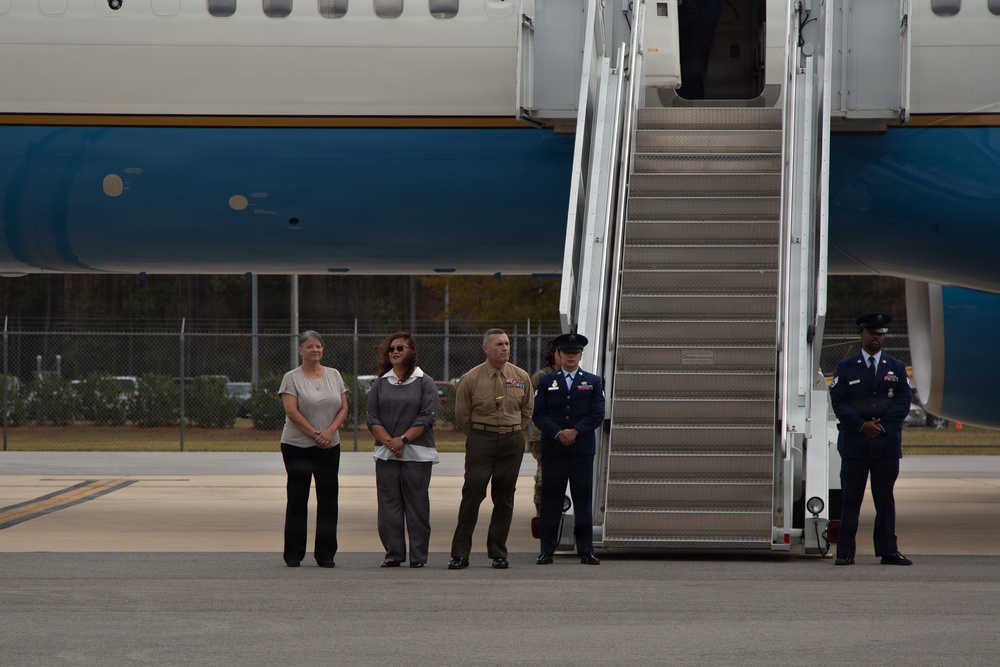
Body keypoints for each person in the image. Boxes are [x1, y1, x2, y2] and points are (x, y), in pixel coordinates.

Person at [829, 313, 913, 566]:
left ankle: (888, 550)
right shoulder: (846, 366)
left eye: (881, 334)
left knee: (884, 498)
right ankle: (844, 552)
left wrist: (882, 427)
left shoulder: (896, 367)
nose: (877, 338)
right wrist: (862, 425)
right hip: (855, 443)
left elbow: (903, 401)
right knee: (851, 499)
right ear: (862, 334)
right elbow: (839, 402)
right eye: (872, 333)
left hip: (885, 444)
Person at [447, 329, 533, 570]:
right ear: (486, 348)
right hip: (481, 439)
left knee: (504, 497)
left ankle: (498, 552)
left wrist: (512, 429)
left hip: (512, 440)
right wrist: (480, 435)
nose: (505, 348)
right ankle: (460, 553)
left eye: (507, 343)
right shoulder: (471, 378)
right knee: (473, 493)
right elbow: (462, 415)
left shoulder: (520, 376)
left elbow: (527, 410)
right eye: (498, 344)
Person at [366, 331, 439, 569]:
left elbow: (426, 416)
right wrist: (390, 442)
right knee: (388, 505)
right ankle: (393, 554)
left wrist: (403, 440)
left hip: (417, 454)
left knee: (417, 504)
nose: (395, 352)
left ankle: (418, 556)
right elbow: (372, 419)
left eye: (400, 348)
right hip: (387, 454)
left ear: (411, 353)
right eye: (391, 349)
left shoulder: (424, 382)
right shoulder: (379, 383)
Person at [531, 333, 606, 566]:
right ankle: (547, 550)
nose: (571, 357)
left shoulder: (593, 381)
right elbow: (538, 414)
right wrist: (557, 433)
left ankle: (586, 550)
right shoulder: (546, 381)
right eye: (566, 354)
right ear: (558, 355)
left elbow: (597, 414)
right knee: (551, 499)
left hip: (581, 449)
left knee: (583, 499)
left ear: (581, 356)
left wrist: (575, 431)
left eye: (575, 354)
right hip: (554, 449)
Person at [278, 330, 349, 568]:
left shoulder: (334, 374)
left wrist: (329, 433)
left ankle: (326, 553)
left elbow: (343, 408)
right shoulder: (291, 377)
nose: (315, 350)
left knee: (329, 499)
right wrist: (315, 434)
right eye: (309, 347)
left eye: (318, 346)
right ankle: (294, 553)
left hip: (329, 445)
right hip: (297, 446)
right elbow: (292, 412)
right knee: (298, 498)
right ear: (300, 351)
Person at [528, 345, 559, 516]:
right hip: (542, 436)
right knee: (543, 477)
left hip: (567, 434)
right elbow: (532, 407)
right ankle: (541, 515)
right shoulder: (541, 377)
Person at [677, 0, 723, 100]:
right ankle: (694, 101)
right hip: (701, 25)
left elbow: (691, 14)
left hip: (696, 30)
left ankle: (689, 103)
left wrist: (674, 30)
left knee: (690, 70)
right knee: (694, 70)